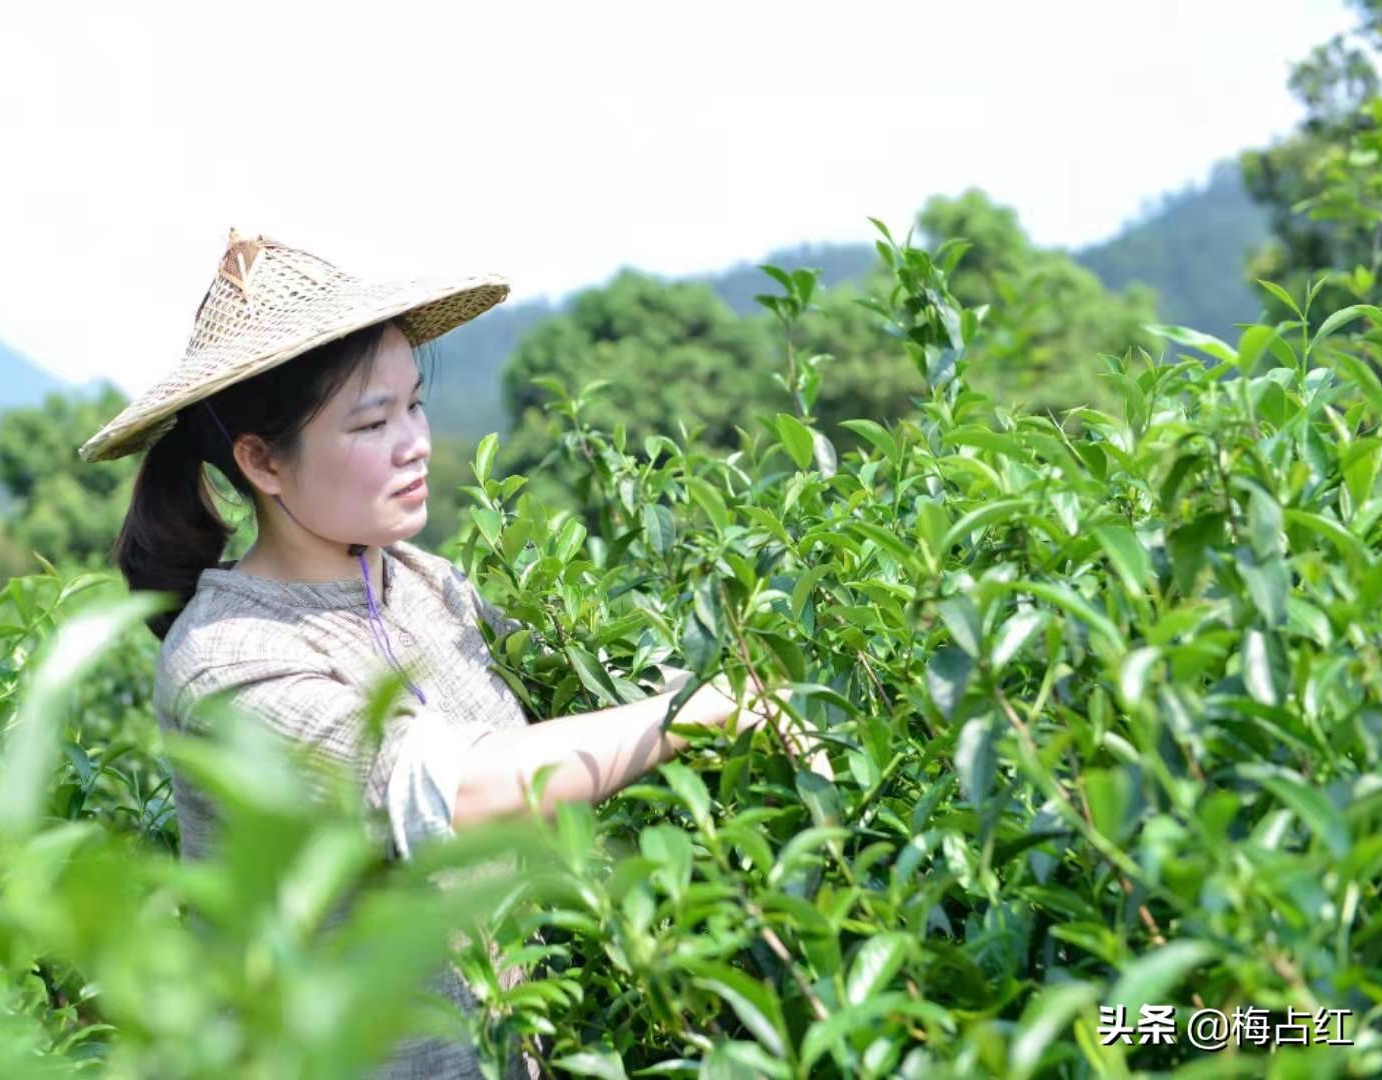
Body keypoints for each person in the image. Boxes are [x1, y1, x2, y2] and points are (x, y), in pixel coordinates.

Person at [79, 230, 830, 1079]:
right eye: (371, 421)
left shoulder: (425, 582)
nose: (414, 443)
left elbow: (580, 695)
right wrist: (693, 712)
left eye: (414, 405)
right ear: (262, 462)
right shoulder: (226, 660)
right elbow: (457, 790)